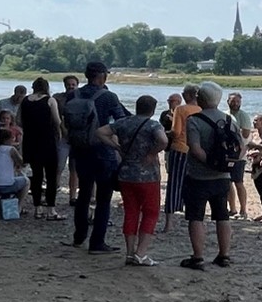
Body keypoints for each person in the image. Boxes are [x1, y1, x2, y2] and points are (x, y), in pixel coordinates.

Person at [64, 61, 125, 253]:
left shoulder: (75, 94)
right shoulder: (108, 96)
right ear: (101, 76)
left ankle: (79, 236)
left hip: (80, 149)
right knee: (103, 198)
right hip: (103, 152)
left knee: (83, 194)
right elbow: (122, 121)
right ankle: (97, 242)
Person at [99, 93, 166, 266]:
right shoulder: (152, 125)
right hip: (148, 175)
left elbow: (100, 132)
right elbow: (163, 140)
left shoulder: (124, 122)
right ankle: (141, 253)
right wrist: (152, 152)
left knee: (131, 212)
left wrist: (116, 147)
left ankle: (129, 253)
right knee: (151, 212)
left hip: (126, 174)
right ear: (152, 110)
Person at [181, 82, 239, 269]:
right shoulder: (230, 120)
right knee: (222, 215)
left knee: (196, 217)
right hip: (223, 177)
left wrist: (209, 163)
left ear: (200, 98)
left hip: (198, 176)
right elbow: (240, 147)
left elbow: (195, 149)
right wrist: (223, 165)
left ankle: (197, 257)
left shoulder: (194, 120)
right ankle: (224, 255)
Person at [19, 77, 63, 220]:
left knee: (36, 176)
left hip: (30, 141)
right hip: (47, 141)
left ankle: (37, 208)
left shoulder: (25, 100)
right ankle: (51, 210)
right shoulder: (50, 101)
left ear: (33, 87)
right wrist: (59, 131)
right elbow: (57, 121)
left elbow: (18, 120)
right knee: (51, 176)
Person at [162, 84, 197, 229]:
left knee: (174, 184)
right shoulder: (201, 109)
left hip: (180, 148)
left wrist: (164, 133)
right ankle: (192, 216)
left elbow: (175, 132)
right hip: (194, 150)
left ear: (187, 95)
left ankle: (169, 222)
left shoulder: (180, 110)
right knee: (193, 184)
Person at [226, 91, 253, 217]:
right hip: (227, 153)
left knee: (238, 182)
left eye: (237, 101)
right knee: (227, 181)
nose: (235, 104)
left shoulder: (243, 116)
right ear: (228, 102)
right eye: (233, 101)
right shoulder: (225, 114)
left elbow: (246, 135)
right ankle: (232, 208)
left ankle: (243, 209)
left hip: (239, 154)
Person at [57, 73, 81, 204]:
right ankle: (53, 191)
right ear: (64, 85)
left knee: (74, 168)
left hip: (77, 138)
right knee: (59, 166)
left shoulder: (82, 99)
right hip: (63, 137)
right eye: (69, 85)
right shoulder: (58, 98)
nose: (71, 87)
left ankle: (73, 196)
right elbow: (57, 117)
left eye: (73, 85)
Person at [247, 113, 262, 221]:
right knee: (259, 189)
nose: (254, 122)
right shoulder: (254, 135)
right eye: (254, 120)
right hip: (254, 165)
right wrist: (250, 153)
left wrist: (257, 151)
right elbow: (249, 147)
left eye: (257, 120)